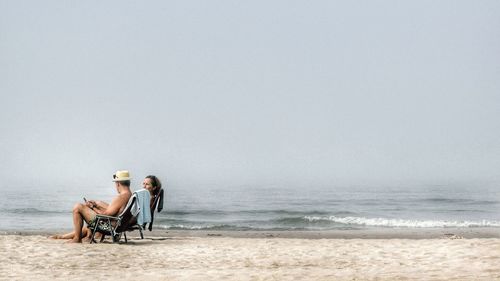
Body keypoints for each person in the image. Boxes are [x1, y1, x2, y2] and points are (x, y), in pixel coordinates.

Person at [51, 170, 133, 243]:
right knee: (98, 204)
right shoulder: (129, 195)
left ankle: (77, 238)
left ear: (118, 183)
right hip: (117, 225)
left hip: (110, 226)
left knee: (78, 207)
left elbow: (105, 215)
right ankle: (62, 237)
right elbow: (114, 211)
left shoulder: (120, 198)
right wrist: (96, 206)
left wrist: (92, 207)